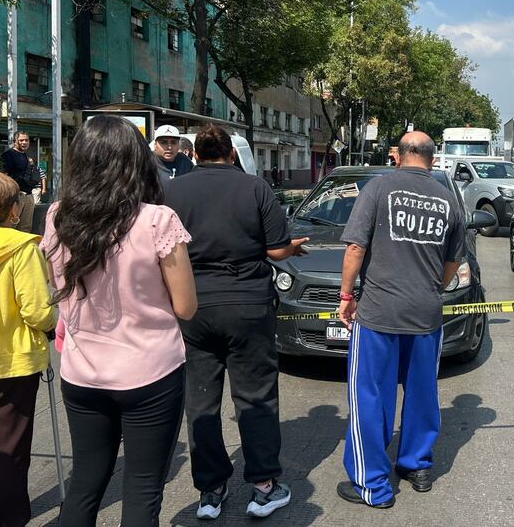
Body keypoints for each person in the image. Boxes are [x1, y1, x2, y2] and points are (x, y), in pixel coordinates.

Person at [42, 115, 198, 526]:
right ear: (136, 162)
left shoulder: (58, 215)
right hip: (150, 372)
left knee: (85, 483)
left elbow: (60, 285)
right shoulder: (157, 220)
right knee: (143, 490)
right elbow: (185, 306)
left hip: (81, 374)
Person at [164, 124, 308, 520]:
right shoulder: (255, 188)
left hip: (194, 306)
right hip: (248, 304)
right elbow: (277, 250)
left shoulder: (173, 192)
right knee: (256, 395)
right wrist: (291, 247)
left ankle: (210, 490)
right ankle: (263, 487)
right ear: (231, 153)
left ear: (194, 155)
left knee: (201, 400)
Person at [335, 131, 466, 508]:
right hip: (426, 315)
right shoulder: (448, 200)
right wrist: (431, 288)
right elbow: (453, 262)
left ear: (398, 155)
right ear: (431, 157)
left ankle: (373, 485)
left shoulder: (378, 189)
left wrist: (346, 296)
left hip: (378, 314)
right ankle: (417, 465)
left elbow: (356, 246)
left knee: (370, 396)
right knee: (423, 392)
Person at [0, 170, 57, 527]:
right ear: (12, 211)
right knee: (8, 450)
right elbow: (37, 311)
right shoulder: (22, 248)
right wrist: (54, 320)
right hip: (11, 362)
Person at [1, 132, 37, 232]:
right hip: (16, 196)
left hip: (29, 196)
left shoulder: (27, 156)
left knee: (26, 228)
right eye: (21, 140)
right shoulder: (9, 155)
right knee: (11, 226)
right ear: (15, 141)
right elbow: (3, 176)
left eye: (26, 140)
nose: (24, 142)